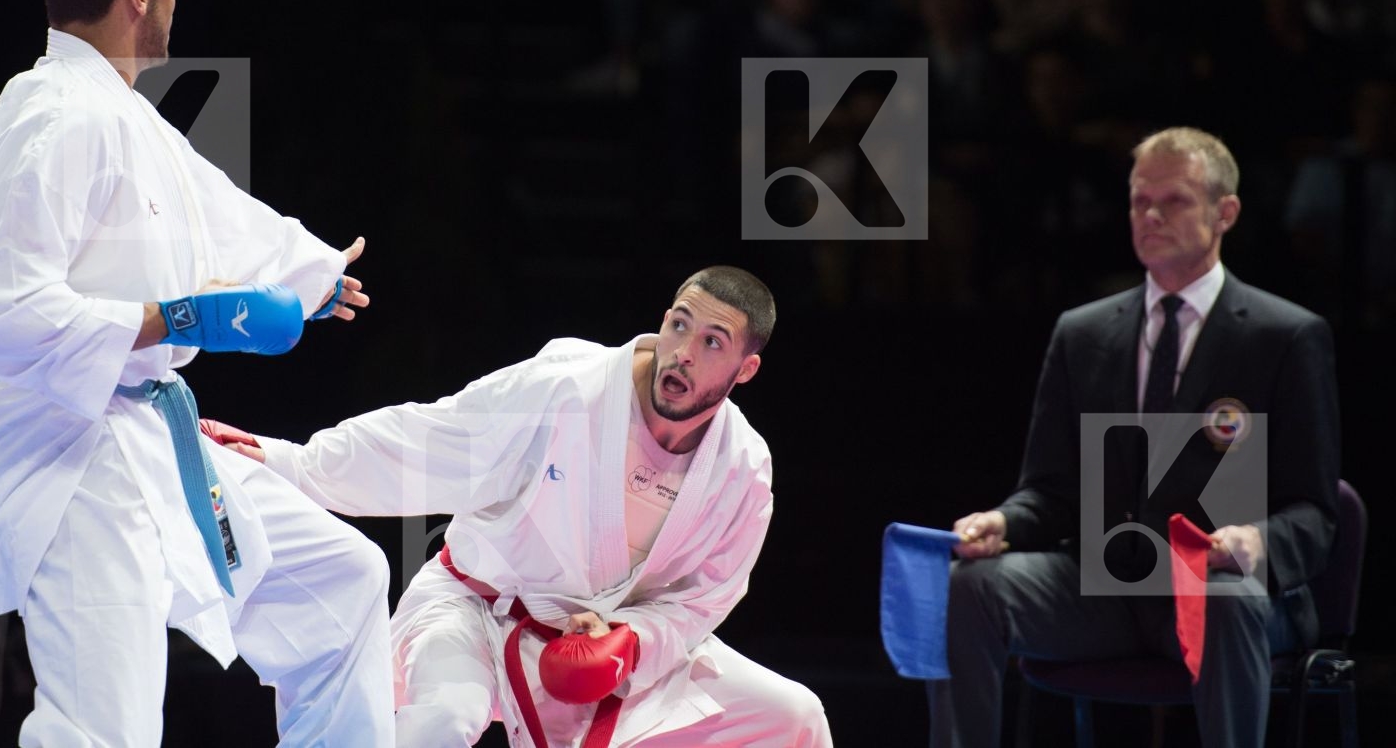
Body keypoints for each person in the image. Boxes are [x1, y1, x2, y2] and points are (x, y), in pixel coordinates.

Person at [0, 0, 393, 747]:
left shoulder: (129, 119)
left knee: (343, 582)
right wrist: (179, 317)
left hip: (150, 435)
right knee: (104, 727)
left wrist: (311, 275)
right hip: (68, 454)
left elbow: (221, 218)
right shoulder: (54, 113)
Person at [212, 265, 832, 748]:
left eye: (712, 342)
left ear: (746, 369)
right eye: (679, 325)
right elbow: (429, 439)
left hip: (601, 648)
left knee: (794, 717)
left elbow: (706, 597)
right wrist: (292, 462)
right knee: (444, 719)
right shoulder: (567, 389)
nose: (684, 352)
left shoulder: (742, 468)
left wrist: (632, 640)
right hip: (478, 610)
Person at [930, 127, 1342, 748]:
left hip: (1223, 592)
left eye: (1173, 200)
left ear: (1225, 212)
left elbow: (1314, 512)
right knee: (971, 585)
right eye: (1139, 201)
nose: (1151, 215)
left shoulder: (1283, 336)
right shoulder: (1083, 332)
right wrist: (1004, 521)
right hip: (1106, 589)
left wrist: (1254, 542)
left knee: (1225, 597)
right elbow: (1051, 492)